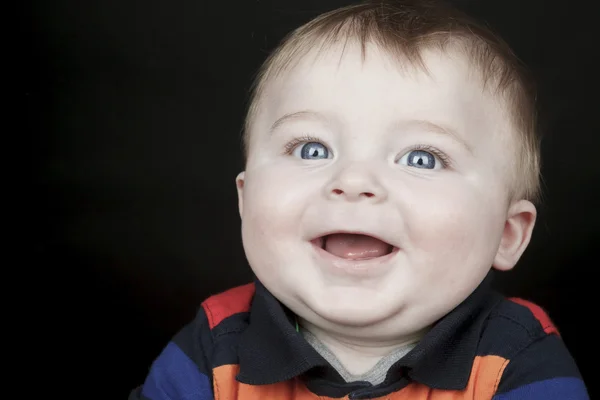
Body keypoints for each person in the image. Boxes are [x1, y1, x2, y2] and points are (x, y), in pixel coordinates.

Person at [129, 0, 589, 398]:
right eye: (312, 149)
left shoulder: (515, 358)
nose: (352, 180)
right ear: (246, 201)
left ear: (506, 235)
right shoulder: (215, 344)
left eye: (422, 158)